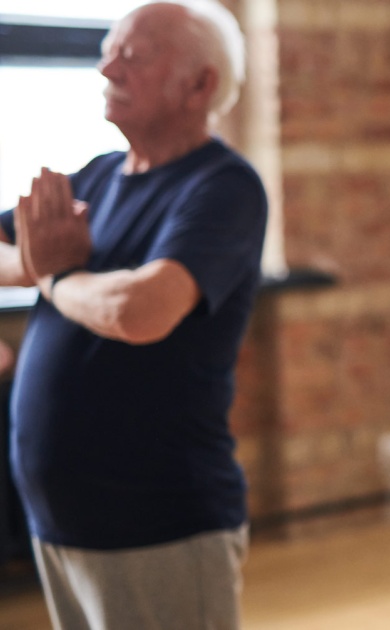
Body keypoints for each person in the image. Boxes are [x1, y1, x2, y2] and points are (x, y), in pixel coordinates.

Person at [0, 1, 267, 628]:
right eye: (109, 48)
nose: (105, 66)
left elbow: (141, 310)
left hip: (159, 523)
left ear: (200, 84)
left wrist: (59, 274)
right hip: (62, 523)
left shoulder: (224, 186)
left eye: (133, 54)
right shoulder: (96, 176)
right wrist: (39, 263)